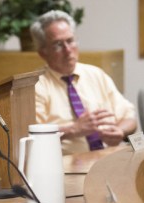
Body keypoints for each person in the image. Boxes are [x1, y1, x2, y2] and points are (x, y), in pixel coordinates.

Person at [31, 10, 137, 155]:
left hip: (109, 158)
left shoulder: (96, 74)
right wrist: (74, 129)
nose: (68, 50)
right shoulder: (36, 85)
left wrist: (120, 131)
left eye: (70, 41)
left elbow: (130, 118)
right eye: (58, 45)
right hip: (68, 167)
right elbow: (34, 135)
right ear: (43, 53)